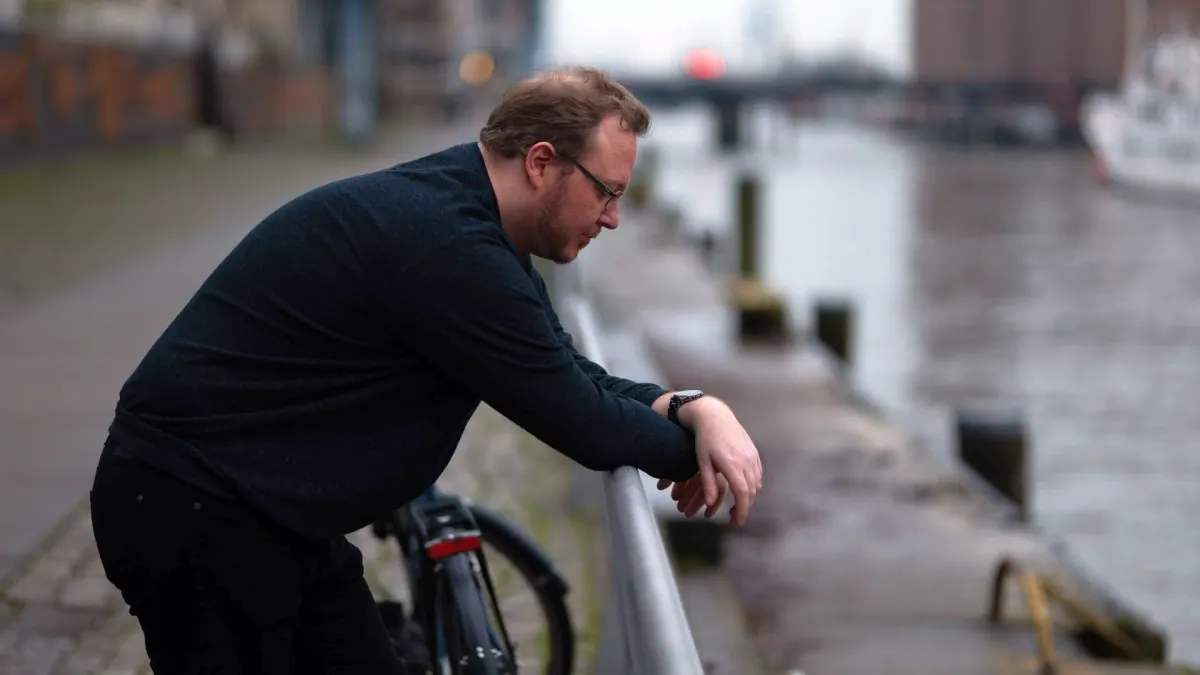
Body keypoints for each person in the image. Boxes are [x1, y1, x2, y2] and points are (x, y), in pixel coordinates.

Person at [89, 65, 762, 674]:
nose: (614, 218)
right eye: (606, 192)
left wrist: (695, 407)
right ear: (540, 162)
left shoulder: (468, 221)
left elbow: (571, 374)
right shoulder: (453, 249)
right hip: (194, 502)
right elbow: (584, 422)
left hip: (268, 509)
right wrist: (695, 450)